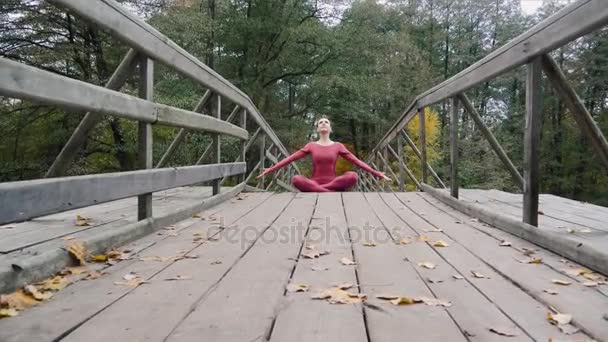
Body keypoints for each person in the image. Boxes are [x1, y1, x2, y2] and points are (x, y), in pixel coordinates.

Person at [256, 117, 391, 192]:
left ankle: (321, 190)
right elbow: (290, 159)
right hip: (314, 182)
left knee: (353, 175)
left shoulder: (338, 146)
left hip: (334, 182)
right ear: (317, 129)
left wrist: (377, 173)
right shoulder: (311, 146)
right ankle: (328, 193)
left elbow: (357, 162)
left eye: (326, 122)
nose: (323, 123)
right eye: (320, 122)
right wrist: (271, 170)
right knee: (296, 179)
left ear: (330, 128)